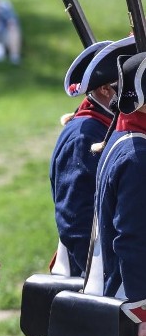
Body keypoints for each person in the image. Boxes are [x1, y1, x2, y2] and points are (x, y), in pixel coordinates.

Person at [49, 37, 133, 277]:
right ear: (105, 90)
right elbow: (77, 221)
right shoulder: (83, 137)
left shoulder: (106, 124)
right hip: (96, 275)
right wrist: (102, 280)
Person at [88, 51, 146, 336]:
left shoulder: (127, 142)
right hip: (132, 312)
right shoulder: (138, 158)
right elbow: (133, 242)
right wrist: (143, 316)